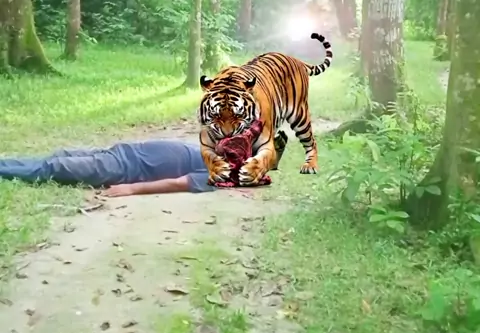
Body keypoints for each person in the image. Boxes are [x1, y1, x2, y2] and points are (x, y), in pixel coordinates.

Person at [0, 131, 288, 197]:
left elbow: (179, 184)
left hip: (123, 168)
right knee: (58, 156)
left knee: (56, 168)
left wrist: (130, 189)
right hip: (121, 151)